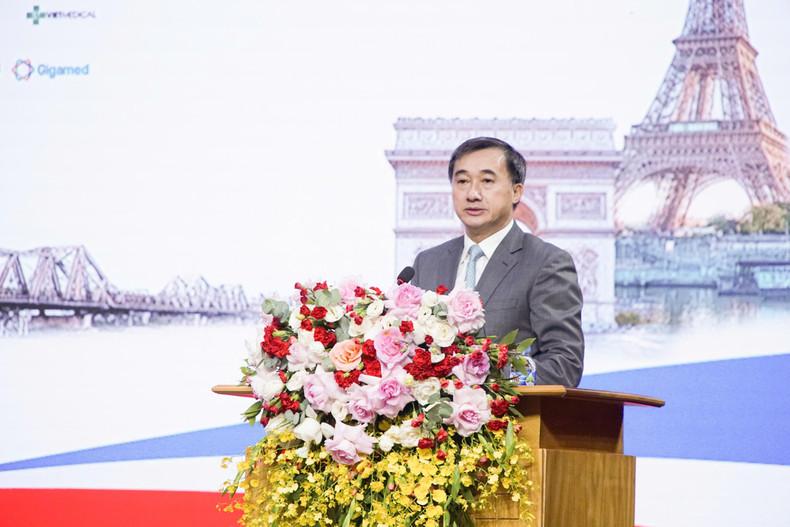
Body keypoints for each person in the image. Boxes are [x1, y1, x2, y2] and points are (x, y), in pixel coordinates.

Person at [411, 137, 584, 387]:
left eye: (487, 181)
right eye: (462, 181)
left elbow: (564, 367)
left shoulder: (546, 262)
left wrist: (480, 377)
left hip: (509, 421)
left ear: (516, 191)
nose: (473, 193)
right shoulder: (427, 262)